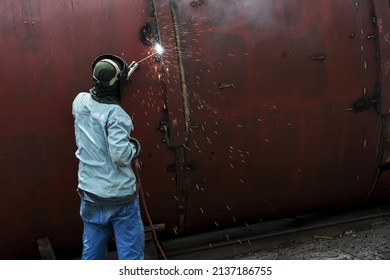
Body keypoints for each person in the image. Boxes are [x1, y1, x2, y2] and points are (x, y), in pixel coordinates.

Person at [72, 54, 144, 260]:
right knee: (131, 257)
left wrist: (120, 81)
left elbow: (97, 105)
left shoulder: (79, 102)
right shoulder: (117, 115)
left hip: (90, 193)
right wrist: (135, 147)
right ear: (117, 84)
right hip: (119, 198)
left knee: (92, 254)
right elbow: (121, 155)